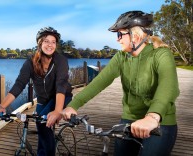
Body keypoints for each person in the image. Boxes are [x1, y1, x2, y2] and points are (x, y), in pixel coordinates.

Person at [62, 10, 179, 156]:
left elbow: (169, 87)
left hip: (160, 123)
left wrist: (152, 117)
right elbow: (99, 82)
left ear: (135, 36)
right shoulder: (121, 57)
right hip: (129, 120)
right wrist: (74, 105)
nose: (117, 40)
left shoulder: (161, 54)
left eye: (120, 34)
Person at [0, 26, 73, 156]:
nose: (50, 45)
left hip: (62, 96)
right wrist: (1, 106)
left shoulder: (61, 61)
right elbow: (19, 85)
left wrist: (57, 111)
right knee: (42, 128)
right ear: (39, 43)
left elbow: (61, 85)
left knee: (43, 124)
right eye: (46, 41)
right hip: (42, 100)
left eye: (53, 42)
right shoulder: (30, 63)